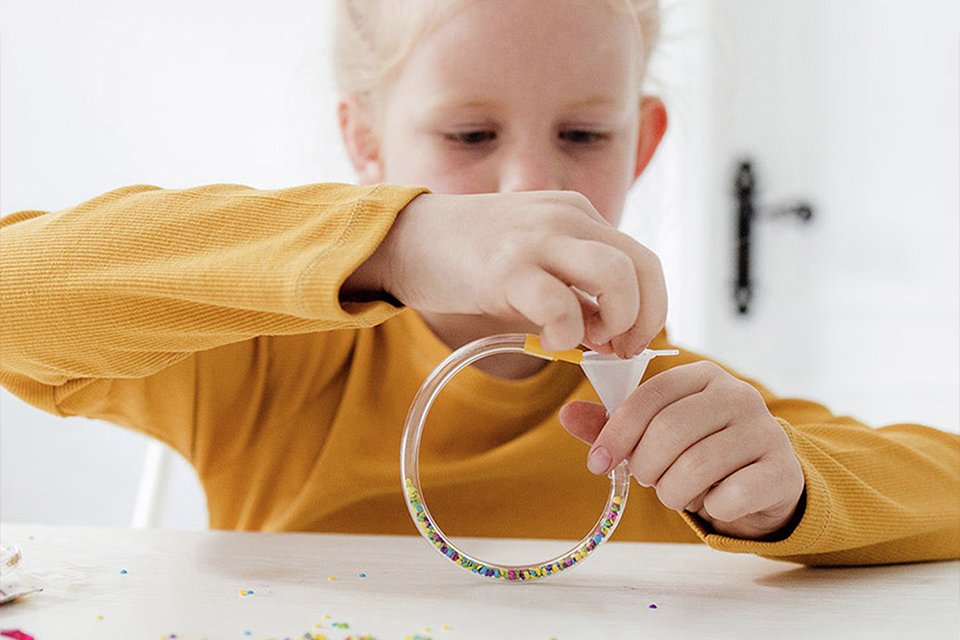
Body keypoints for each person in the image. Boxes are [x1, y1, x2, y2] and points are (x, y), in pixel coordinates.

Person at [1, 0, 957, 566]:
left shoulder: (679, 415)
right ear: (366, 143)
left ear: (643, 143)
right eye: (469, 136)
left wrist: (787, 494)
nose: (529, 186)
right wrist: (395, 241)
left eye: (583, 135)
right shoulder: (267, 369)